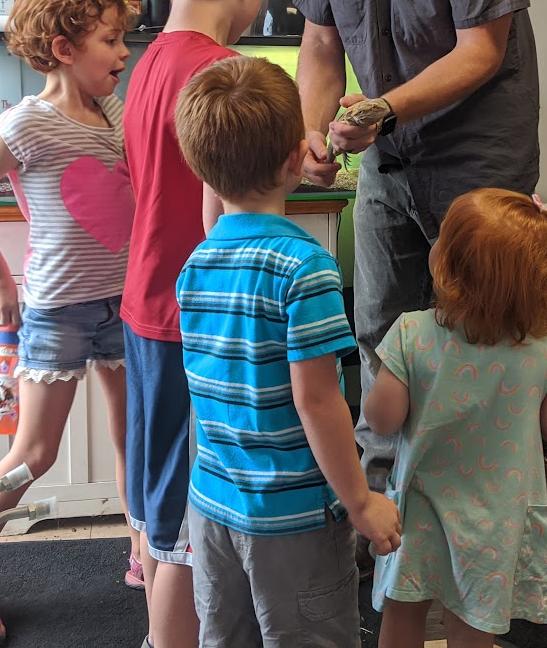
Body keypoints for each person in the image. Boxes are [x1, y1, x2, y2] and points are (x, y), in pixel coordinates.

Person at [265, 0, 541, 551]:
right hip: (388, 160)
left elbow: (481, 50)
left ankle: (482, 523)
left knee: (482, 344)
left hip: (479, 160)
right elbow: (320, 44)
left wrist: (381, 108)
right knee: (381, 336)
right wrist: (312, 131)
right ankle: (382, 524)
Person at [173, 56, 403, 648]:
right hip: (293, 520)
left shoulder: (196, 265)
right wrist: (360, 502)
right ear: (295, 158)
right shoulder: (305, 269)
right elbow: (317, 402)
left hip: (213, 507)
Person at [0, 0, 139, 647]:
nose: (123, 52)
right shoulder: (28, 123)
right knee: (33, 451)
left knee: (135, 436)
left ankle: (143, 550)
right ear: (63, 49)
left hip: (123, 304)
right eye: (110, 40)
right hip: (58, 310)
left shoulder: (117, 116)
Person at [121, 0, 274, 648]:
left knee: (157, 502)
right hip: (197, 324)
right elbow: (223, 212)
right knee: (188, 513)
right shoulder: (221, 74)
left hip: (145, 307)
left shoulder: (145, 63)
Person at [363, 189, 547, 647]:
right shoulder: (546, 342)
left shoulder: (412, 333)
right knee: (474, 622)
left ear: (449, 267)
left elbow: (381, 421)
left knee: (404, 611)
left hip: (420, 511)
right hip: (498, 521)